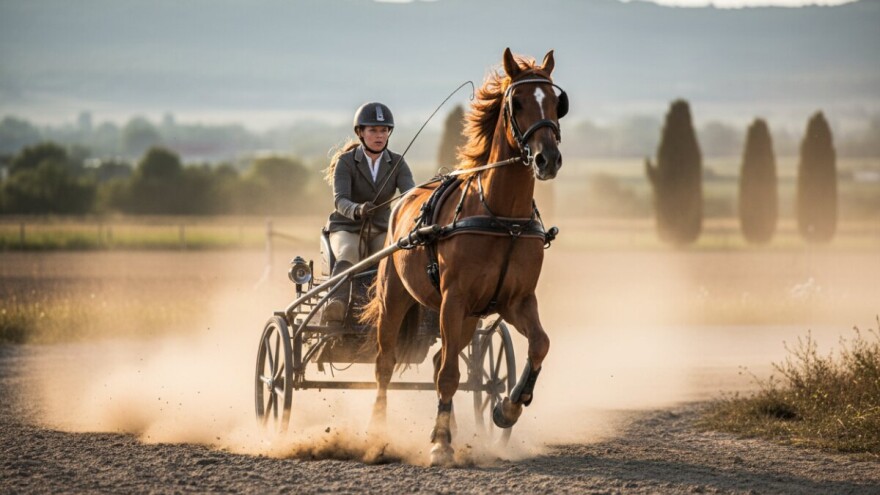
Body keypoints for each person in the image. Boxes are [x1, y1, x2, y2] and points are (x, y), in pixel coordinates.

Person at [323, 102, 415, 324]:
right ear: (360, 133)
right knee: (348, 252)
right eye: (373, 130)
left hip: (382, 228)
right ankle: (337, 303)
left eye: (384, 130)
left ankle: (389, 310)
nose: (379, 135)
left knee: (390, 257)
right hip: (347, 227)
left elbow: (410, 195)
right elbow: (340, 200)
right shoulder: (346, 162)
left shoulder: (398, 163)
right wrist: (357, 209)